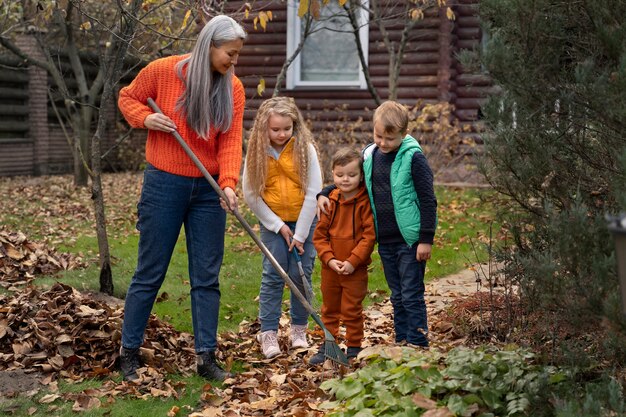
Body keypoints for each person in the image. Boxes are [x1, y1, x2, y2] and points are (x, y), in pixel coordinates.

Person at [116, 15, 246, 382]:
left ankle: (206, 358)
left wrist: (230, 183)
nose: (233, 62)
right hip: (164, 185)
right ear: (210, 45)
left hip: (209, 191)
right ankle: (128, 353)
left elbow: (231, 140)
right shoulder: (162, 71)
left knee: (206, 276)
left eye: (237, 56)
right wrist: (146, 119)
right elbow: (127, 97)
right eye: (230, 54)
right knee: (150, 271)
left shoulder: (232, 88)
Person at [317, 101, 437, 348]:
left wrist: (426, 238)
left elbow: (428, 199)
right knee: (397, 294)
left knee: (411, 293)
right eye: (378, 136)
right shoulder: (370, 155)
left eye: (389, 138)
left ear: (403, 134)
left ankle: (418, 341)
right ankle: (402, 338)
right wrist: (325, 191)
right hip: (385, 239)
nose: (383, 142)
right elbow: (351, 178)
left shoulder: (414, 158)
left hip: (410, 239)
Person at [242, 96, 323, 359]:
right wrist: (277, 225)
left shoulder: (305, 149)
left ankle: (299, 330)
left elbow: (314, 192)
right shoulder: (256, 152)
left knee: (301, 274)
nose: (281, 134)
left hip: (305, 220)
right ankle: (268, 333)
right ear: (264, 128)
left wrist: (300, 234)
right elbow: (251, 194)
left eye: (286, 129)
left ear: (294, 126)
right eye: (275, 129)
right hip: (273, 223)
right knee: (274, 275)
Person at [309, 147, 376, 365]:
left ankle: (354, 346)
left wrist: (352, 262)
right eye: (339, 175)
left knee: (352, 309)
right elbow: (319, 237)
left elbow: (368, 237)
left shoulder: (365, 203)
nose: (345, 179)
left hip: (354, 270)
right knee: (329, 309)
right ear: (332, 174)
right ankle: (329, 344)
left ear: (361, 176)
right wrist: (329, 259)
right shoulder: (329, 201)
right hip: (331, 269)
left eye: (351, 175)